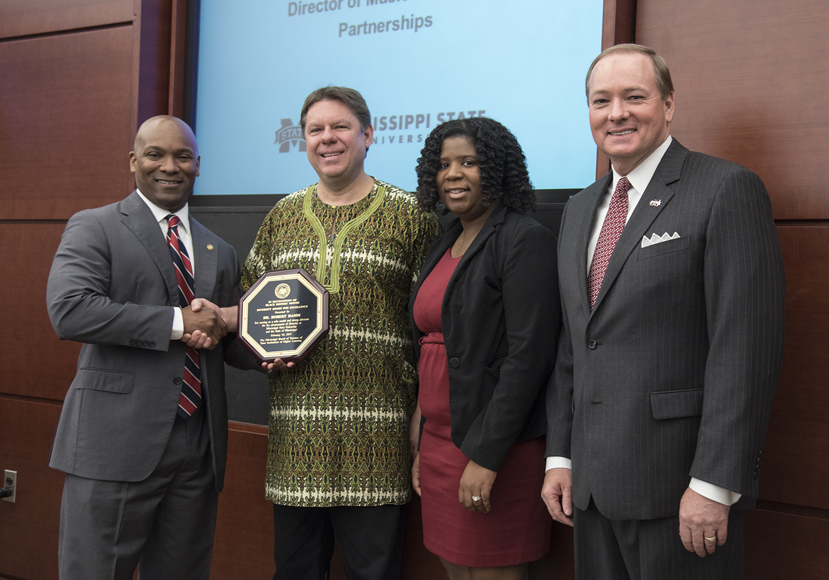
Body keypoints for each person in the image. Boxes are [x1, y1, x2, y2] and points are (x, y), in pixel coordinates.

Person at [542, 44, 785, 579]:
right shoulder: (580, 208)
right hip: (591, 491)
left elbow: (745, 349)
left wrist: (714, 483)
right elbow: (574, 342)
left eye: (635, 97)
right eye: (600, 100)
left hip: (679, 489)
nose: (617, 113)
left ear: (669, 104)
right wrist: (560, 455)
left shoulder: (724, 188)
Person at [206, 86, 439, 580]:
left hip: (377, 435)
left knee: (374, 571)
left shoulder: (411, 216)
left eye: (340, 127)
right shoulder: (282, 218)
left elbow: (434, 328)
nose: (327, 139)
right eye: (315, 129)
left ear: (368, 135)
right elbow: (249, 318)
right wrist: (260, 354)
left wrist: (425, 414)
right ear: (304, 139)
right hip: (297, 437)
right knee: (294, 569)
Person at [46, 115, 257, 579]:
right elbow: (71, 310)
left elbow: (225, 342)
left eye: (183, 156)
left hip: (197, 448)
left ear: (198, 165)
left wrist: (278, 342)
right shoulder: (95, 226)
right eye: (155, 154)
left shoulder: (218, 249)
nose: (170, 166)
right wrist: (180, 322)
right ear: (133, 161)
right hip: (113, 443)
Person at [410, 117, 559, 580]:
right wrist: (419, 432)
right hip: (437, 442)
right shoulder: (446, 240)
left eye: (468, 162)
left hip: (495, 448)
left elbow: (529, 358)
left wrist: (486, 457)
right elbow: (432, 346)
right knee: (454, 567)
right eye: (443, 164)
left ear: (496, 170)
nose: (452, 174)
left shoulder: (522, 239)